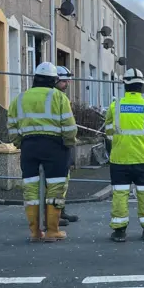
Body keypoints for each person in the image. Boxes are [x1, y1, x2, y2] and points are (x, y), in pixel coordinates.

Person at [7, 62, 78, 243]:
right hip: (54, 147)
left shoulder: (20, 98)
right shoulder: (59, 98)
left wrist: (19, 143)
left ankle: (35, 233)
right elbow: (69, 127)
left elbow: (12, 126)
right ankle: (52, 231)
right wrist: (68, 144)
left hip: (29, 146)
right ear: (54, 80)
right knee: (55, 189)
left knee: (30, 189)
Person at [104, 68, 144, 242]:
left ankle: (120, 231)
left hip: (120, 158)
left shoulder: (115, 107)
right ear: (142, 85)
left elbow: (108, 133)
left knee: (120, 194)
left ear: (125, 85)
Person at [55, 66, 79, 227]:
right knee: (56, 182)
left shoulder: (60, 96)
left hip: (60, 144)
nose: (67, 84)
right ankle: (53, 214)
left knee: (63, 181)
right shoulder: (56, 97)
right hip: (57, 144)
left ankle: (59, 211)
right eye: (64, 81)